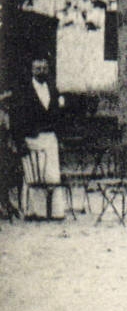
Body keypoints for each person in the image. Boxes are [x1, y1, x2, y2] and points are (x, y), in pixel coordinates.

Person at [12, 57, 68, 220]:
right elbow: (17, 118)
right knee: (33, 174)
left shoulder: (52, 88)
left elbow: (58, 114)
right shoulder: (24, 91)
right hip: (32, 137)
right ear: (31, 70)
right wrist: (20, 140)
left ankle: (55, 211)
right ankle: (34, 211)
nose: (41, 72)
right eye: (37, 68)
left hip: (50, 137)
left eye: (44, 68)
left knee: (52, 173)